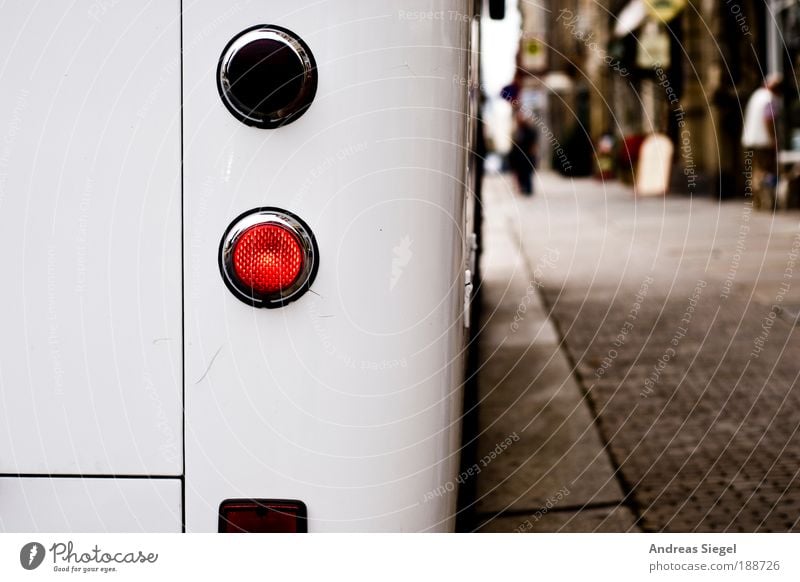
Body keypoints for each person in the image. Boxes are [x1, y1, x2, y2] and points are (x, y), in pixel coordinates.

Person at [742, 74, 782, 210]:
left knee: (756, 171)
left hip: (750, 140)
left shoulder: (756, 95)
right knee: (764, 171)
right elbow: (768, 120)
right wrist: (773, 138)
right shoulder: (769, 99)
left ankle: (756, 201)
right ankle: (766, 201)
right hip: (763, 141)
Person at [508, 109, 539, 196]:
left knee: (527, 175)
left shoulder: (529, 130)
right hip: (519, 159)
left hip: (527, 157)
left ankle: (528, 190)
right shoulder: (518, 131)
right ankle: (523, 189)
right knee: (521, 175)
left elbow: (533, 144)